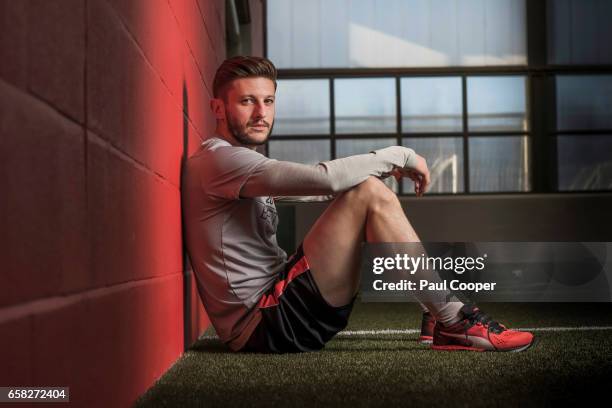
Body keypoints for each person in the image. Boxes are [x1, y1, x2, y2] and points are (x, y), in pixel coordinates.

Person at [181, 56, 534, 353]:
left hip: (279, 304)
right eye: (247, 102)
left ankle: (439, 310)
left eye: (268, 101)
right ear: (218, 108)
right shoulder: (220, 162)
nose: (261, 112)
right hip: (265, 324)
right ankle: (452, 319)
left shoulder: (234, 164)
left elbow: (320, 191)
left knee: (364, 190)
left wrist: (369, 177)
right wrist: (401, 155)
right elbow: (325, 180)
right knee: (366, 190)